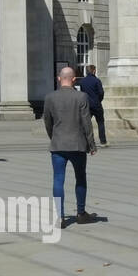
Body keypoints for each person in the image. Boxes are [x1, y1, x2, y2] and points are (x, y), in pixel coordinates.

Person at [43, 67, 98, 228]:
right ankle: (81, 213)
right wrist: (92, 144)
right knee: (80, 178)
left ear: (59, 79)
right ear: (74, 79)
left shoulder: (50, 97)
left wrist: (53, 136)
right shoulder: (81, 97)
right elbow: (86, 123)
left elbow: (47, 121)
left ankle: (60, 217)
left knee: (58, 179)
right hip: (78, 145)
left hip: (58, 144)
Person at [79, 64, 107, 145]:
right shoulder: (97, 81)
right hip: (96, 104)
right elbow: (101, 93)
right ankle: (103, 141)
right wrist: (99, 100)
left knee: (87, 123)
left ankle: (87, 141)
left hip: (87, 105)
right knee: (100, 122)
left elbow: (82, 93)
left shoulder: (82, 81)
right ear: (94, 71)